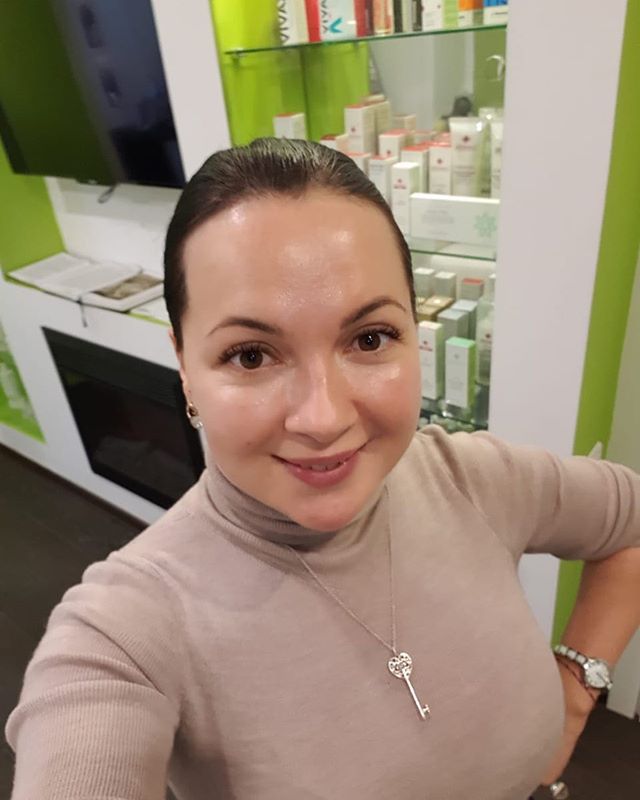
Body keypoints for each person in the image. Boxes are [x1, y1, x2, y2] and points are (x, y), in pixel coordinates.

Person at [5, 139, 640, 800]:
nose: (323, 417)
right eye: (251, 355)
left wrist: (575, 694)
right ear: (185, 366)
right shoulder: (126, 628)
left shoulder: (474, 479)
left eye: (369, 338)